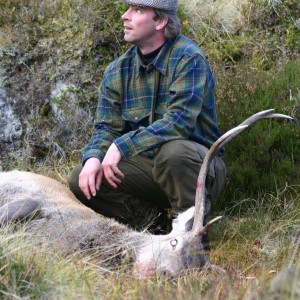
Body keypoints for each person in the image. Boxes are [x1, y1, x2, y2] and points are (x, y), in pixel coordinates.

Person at [68, 0, 227, 233]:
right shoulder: (117, 71)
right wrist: (93, 157)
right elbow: (106, 128)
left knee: (172, 154)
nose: (125, 16)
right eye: (128, 9)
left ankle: (192, 233)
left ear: (161, 21)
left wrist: (121, 146)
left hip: (199, 168)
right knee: (81, 180)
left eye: (138, 10)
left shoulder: (188, 58)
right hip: (151, 168)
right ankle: (154, 224)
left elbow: (179, 122)